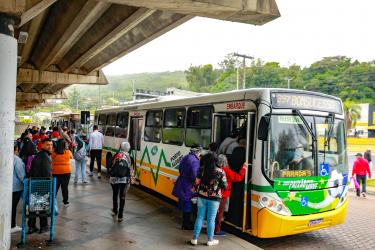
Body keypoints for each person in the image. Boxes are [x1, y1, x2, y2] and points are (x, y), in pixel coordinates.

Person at [190, 153, 227, 247]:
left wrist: (195, 188)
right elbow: (225, 186)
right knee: (211, 219)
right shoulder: (220, 172)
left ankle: (194, 239)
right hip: (214, 199)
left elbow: (196, 182)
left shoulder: (202, 170)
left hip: (202, 196)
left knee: (200, 217)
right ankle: (210, 240)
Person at [214, 154, 246, 236]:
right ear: (225, 162)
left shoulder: (214, 168)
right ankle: (217, 230)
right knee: (220, 212)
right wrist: (244, 168)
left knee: (213, 211)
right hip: (223, 194)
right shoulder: (226, 170)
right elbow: (238, 177)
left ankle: (211, 227)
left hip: (213, 193)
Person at [172, 144, 202, 230]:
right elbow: (194, 175)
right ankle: (186, 224)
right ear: (198, 152)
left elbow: (180, 169)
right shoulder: (195, 161)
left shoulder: (186, 157)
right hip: (189, 184)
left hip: (182, 182)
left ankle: (185, 223)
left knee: (184, 201)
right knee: (188, 203)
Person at [28, 138, 53, 234]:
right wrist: (50, 186)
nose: (50, 146)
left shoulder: (38, 155)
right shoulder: (45, 156)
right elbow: (47, 174)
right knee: (43, 207)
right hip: (42, 185)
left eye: (51, 145)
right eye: (47, 144)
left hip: (33, 185)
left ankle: (31, 227)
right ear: (42, 145)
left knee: (33, 208)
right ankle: (44, 227)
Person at [108, 142, 134, 222]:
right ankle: (120, 216)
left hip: (114, 179)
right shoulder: (130, 157)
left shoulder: (116, 155)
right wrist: (131, 179)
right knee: (122, 197)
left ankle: (114, 210)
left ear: (121, 148)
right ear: (128, 149)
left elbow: (110, 165)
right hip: (124, 179)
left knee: (115, 194)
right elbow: (131, 170)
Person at [52, 139, 73, 207]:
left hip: (55, 172)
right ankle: (65, 202)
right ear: (64, 145)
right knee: (65, 187)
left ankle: (52, 201)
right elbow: (71, 157)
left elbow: (50, 159)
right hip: (66, 172)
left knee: (55, 187)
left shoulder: (53, 152)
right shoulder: (68, 152)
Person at [11, 142, 26, 233]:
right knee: (12, 207)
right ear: (16, 149)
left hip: (5, 187)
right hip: (15, 188)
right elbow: (21, 175)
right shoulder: (16, 159)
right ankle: (12, 225)